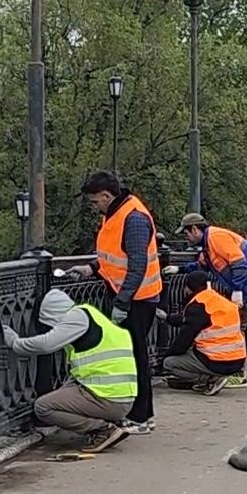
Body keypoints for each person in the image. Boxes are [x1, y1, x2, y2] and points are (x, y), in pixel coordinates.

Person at [2, 288, 137, 452]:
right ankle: (109, 422)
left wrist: (15, 342)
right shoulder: (91, 314)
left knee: (43, 407)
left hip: (108, 398)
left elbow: (46, 344)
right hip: (120, 396)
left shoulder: (76, 319)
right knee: (62, 394)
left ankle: (102, 430)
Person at [78, 171, 161, 434]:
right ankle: (137, 414)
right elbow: (114, 255)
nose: (94, 207)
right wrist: (92, 268)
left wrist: (122, 303)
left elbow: (137, 265)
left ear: (106, 195)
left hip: (137, 299)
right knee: (131, 355)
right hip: (128, 295)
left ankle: (142, 416)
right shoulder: (116, 213)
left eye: (94, 202)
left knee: (136, 357)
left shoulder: (133, 218)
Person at [159, 269, 246, 394]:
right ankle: (213, 377)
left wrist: (165, 356)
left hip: (216, 360)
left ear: (188, 288)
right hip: (237, 359)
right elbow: (192, 320)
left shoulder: (198, 305)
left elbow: (183, 340)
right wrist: (168, 318)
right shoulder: (219, 301)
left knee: (170, 363)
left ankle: (209, 380)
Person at [179, 213, 247, 324]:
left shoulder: (215, 237)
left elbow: (239, 263)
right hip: (244, 281)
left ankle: (241, 340)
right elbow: (202, 266)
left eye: (186, 234)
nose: (187, 239)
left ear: (194, 229)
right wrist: (179, 269)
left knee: (242, 319)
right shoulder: (208, 243)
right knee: (237, 318)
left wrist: (237, 290)